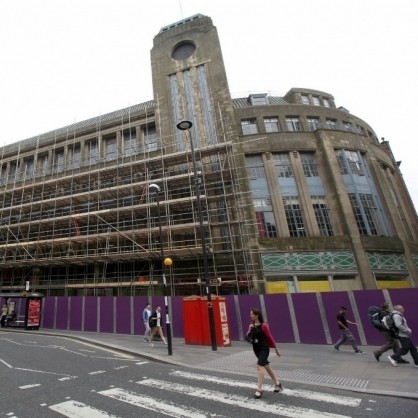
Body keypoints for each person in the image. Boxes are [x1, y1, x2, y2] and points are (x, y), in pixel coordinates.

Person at [246, 308, 282, 399]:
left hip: (264, 348)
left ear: (257, 315)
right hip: (256, 349)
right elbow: (248, 336)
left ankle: (259, 389)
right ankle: (277, 383)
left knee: (259, 366)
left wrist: (276, 349)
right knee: (266, 366)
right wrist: (250, 330)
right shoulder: (251, 325)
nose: (250, 316)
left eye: (252, 314)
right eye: (250, 314)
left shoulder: (264, 325)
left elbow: (270, 337)